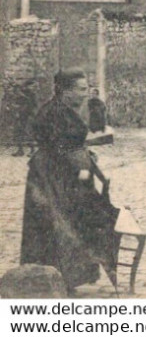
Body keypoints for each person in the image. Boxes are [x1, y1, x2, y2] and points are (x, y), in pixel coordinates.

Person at [20, 68, 119, 293]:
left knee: (72, 222)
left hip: (63, 174)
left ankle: (67, 278)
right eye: (81, 89)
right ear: (66, 91)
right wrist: (81, 161)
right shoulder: (53, 113)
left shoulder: (64, 110)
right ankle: (51, 279)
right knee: (55, 225)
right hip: (50, 177)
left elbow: (69, 143)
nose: (85, 93)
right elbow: (58, 147)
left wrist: (83, 156)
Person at [11, 80, 37, 157]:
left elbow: (33, 105)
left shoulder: (32, 95)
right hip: (21, 115)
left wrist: (24, 98)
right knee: (19, 132)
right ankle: (20, 150)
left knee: (28, 133)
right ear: (26, 86)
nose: (34, 88)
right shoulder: (21, 94)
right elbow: (16, 102)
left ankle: (32, 151)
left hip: (29, 115)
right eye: (32, 86)